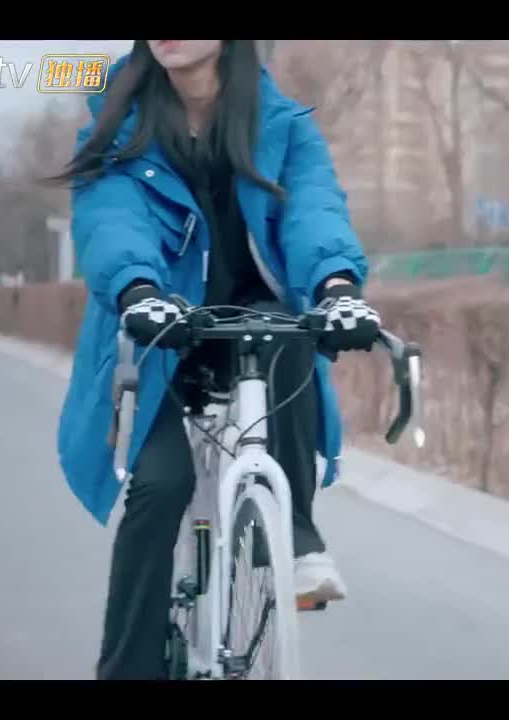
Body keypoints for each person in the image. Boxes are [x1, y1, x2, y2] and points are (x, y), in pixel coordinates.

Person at [46, 40, 382, 680]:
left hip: (251, 332)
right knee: (161, 483)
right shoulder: (121, 119)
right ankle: (127, 670)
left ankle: (297, 535)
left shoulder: (283, 125)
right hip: (158, 331)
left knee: (288, 330)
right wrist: (139, 292)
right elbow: (112, 219)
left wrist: (339, 287)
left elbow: (314, 210)